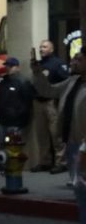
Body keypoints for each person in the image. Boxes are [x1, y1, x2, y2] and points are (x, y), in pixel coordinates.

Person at [32, 51, 86, 186]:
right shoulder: (72, 81)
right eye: (73, 59)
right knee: (78, 184)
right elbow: (48, 91)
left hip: (84, 142)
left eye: (78, 60)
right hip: (71, 140)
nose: (72, 62)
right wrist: (37, 72)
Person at [0, 58, 36, 172]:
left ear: (17, 67)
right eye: (7, 66)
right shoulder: (4, 82)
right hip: (4, 119)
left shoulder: (23, 82)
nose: (8, 68)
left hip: (15, 120)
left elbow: (27, 102)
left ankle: (11, 167)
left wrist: (19, 116)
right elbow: (0, 99)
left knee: (12, 145)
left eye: (11, 66)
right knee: (0, 143)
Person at [34, 40, 67, 173]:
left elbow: (66, 81)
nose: (41, 49)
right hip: (38, 102)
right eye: (41, 47)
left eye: (45, 47)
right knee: (42, 135)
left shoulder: (58, 64)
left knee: (56, 134)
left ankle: (61, 162)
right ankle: (45, 162)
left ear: (52, 49)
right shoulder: (38, 65)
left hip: (51, 102)